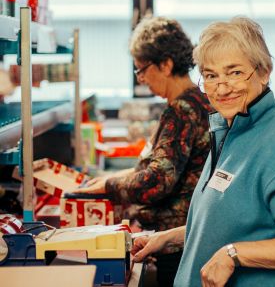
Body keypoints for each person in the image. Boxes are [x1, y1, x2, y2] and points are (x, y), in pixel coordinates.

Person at [131, 16, 275, 287]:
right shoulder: (231, 128)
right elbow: (236, 223)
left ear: (264, 72)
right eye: (210, 75)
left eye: (235, 72)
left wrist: (232, 255)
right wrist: (169, 237)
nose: (222, 87)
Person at [74, 16, 213, 286]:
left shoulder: (181, 111)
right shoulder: (198, 101)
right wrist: (107, 180)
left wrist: (109, 186)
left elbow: (157, 180)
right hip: (188, 236)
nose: (141, 79)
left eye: (142, 70)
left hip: (176, 244)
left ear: (166, 64)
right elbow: (162, 165)